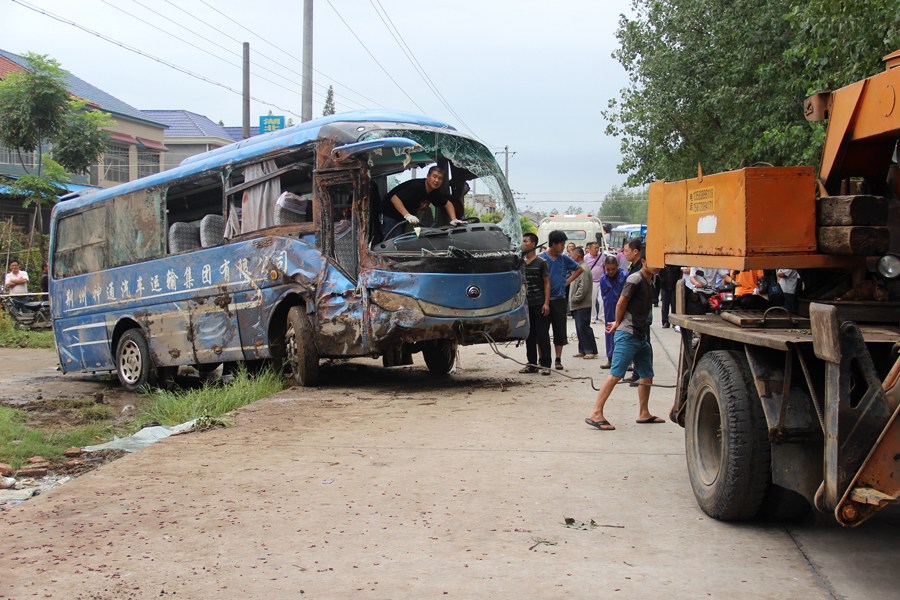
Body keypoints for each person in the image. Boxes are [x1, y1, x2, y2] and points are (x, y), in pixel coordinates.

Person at [585, 258, 664, 430]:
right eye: (654, 262)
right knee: (616, 374)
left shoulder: (650, 281)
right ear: (644, 261)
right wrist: (617, 322)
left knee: (647, 374)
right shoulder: (635, 279)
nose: (657, 266)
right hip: (627, 334)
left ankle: (644, 412)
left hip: (640, 335)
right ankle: (596, 413)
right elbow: (621, 302)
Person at [538, 230, 583, 371]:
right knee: (542, 332)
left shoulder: (563, 259)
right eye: (562, 244)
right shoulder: (541, 258)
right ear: (554, 243)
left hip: (559, 299)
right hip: (543, 300)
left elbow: (579, 269)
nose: (564, 247)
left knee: (559, 331)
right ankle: (542, 359)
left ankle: (558, 359)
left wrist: (567, 281)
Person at [381, 166, 464, 239]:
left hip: (407, 217)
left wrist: (453, 219)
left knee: (409, 239)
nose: (436, 180)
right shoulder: (415, 186)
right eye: (434, 176)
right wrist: (407, 215)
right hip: (391, 214)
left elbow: (447, 204)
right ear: (428, 176)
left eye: (440, 178)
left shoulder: (434, 192)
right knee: (394, 241)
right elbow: (394, 199)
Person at [520, 233, 552, 375]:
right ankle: (532, 363)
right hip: (526, 305)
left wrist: (546, 303)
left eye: (525, 241)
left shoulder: (541, 262)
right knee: (529, 335)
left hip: (539, 303)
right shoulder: (520, 263)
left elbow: (547, 283)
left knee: (542, 334)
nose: (523, 243)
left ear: (533, 244)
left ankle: (546, 364)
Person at [569, 247, 598, 359]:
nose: (570, 257)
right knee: (579, 328)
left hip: (582, 304)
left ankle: (591, 350)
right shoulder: (578, 268)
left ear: (577, 256)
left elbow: (583, 288)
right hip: (577, 305)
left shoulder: (583, 269)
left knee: (584, 327)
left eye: (572, 255)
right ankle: (582, 349)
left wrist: (574, 298)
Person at [599, 255, 627, 369]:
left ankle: (626, 361)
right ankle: (610, 358)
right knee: (609, 333)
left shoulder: (624, 276)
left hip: (623, 309)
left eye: (613, 269)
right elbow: (603, 295)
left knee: (624, 334)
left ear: (617, 266)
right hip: (609, 309)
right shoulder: (603, 278)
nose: (610, 272)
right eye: (608, 269)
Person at [584, 241, 605, 323]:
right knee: (592, 300)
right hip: (592, 282)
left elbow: (604, 266)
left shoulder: (602, 256)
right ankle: (592, 317)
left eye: (597, 248)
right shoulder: (586, 258)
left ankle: (601, 316)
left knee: (602, 300)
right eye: (595, 248)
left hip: (601, 281)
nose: (597, 250)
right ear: (589, 249)